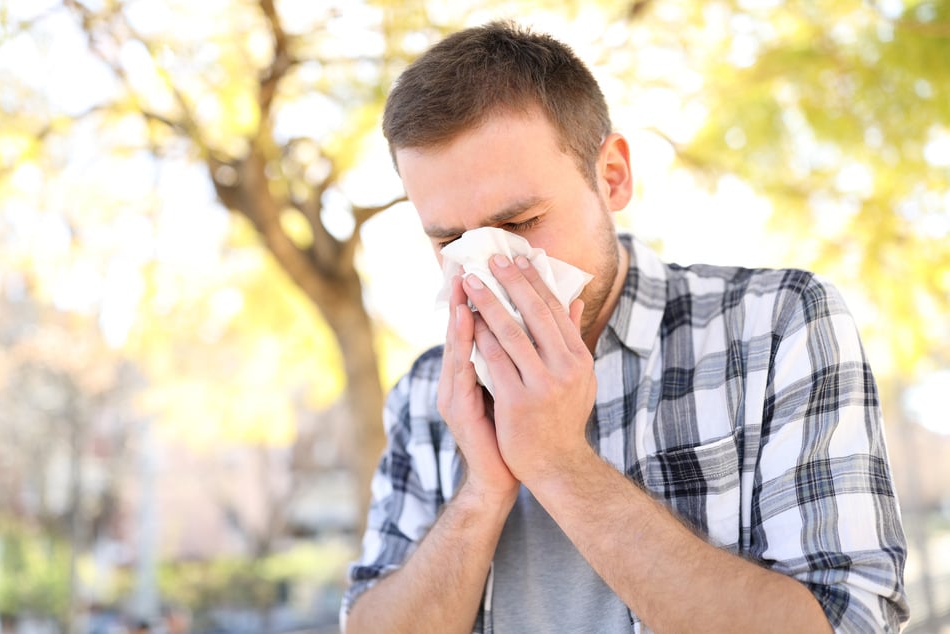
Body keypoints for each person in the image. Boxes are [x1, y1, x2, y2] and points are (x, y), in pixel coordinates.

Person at [341, 20, 909, 633]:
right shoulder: (429, 392)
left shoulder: (776, 326)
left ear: (611, 176)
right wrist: (480, 492)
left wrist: (559, 462)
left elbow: (851, 622)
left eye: (523, 221)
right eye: (451, 240)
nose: (494, 267)